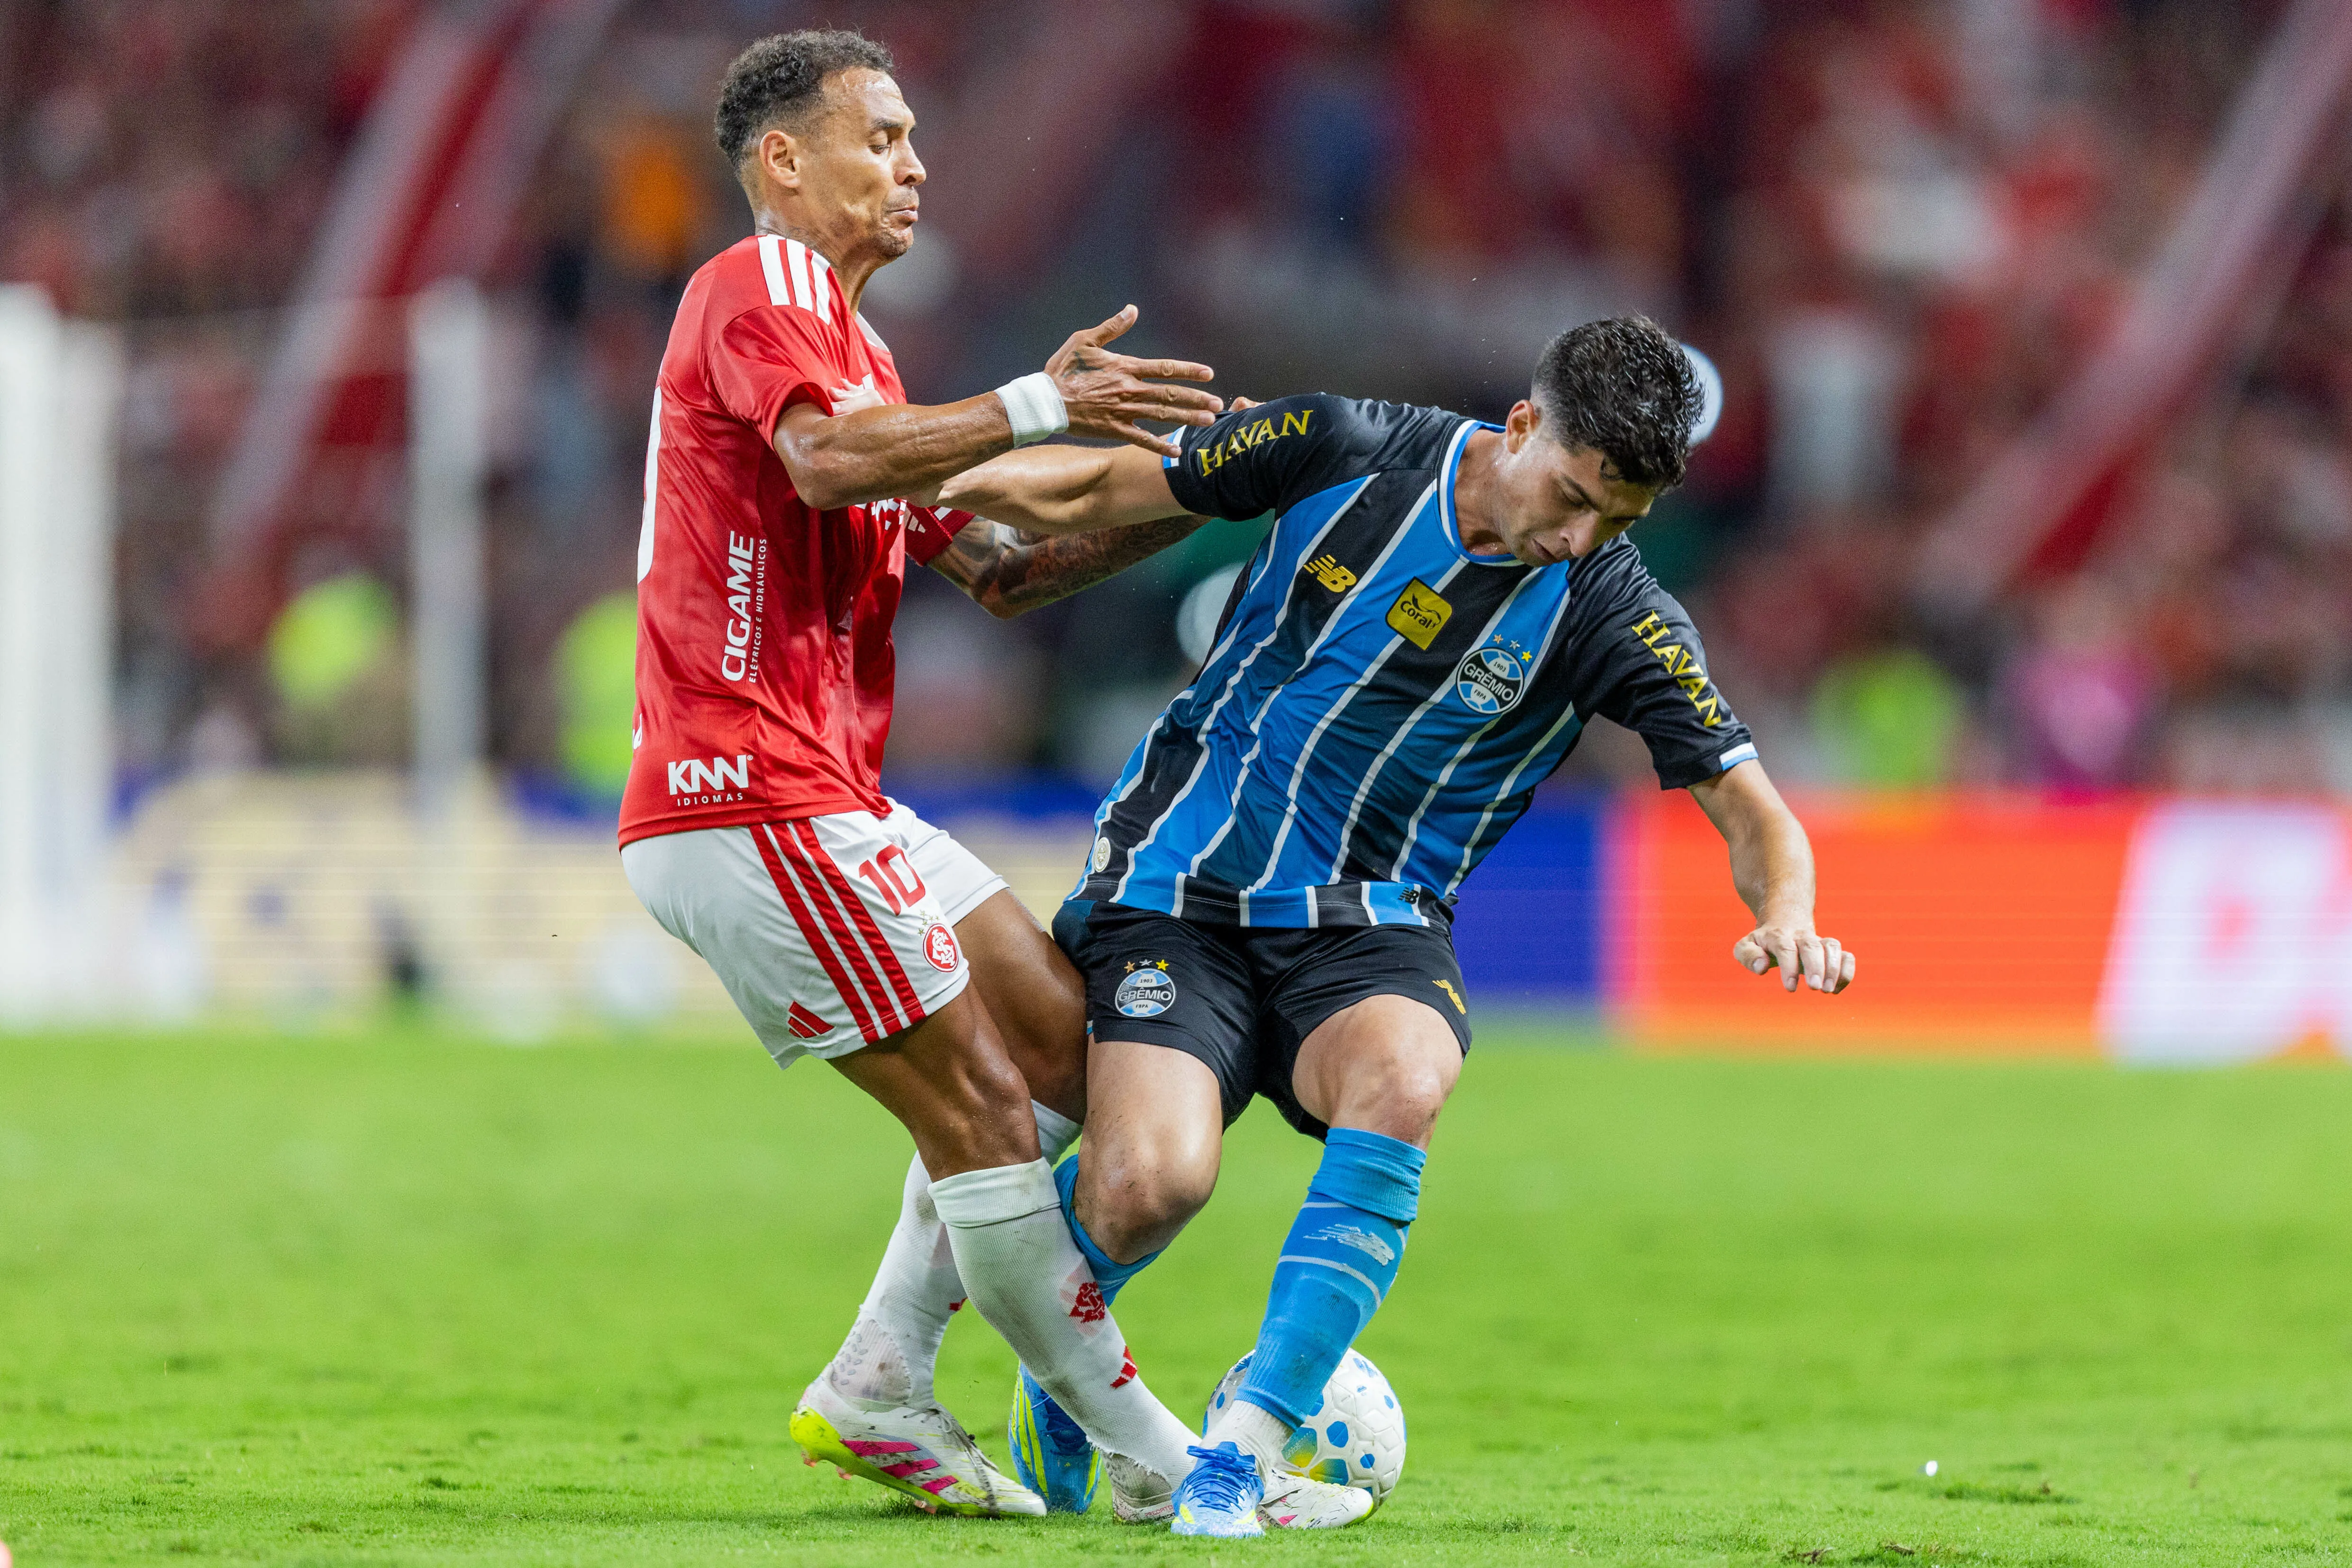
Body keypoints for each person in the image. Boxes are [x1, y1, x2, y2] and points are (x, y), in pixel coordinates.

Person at [940, 315, 1860, 1536]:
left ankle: (1241, 1445)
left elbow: (1755, 813)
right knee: (1151, 1185)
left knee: (1411, 1076)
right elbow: (1125, 483)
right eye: (1575, 496)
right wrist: (939, 477)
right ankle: (1063, 1382)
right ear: (1524, 426)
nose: (1579, 536)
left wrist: (1789, 911)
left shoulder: (1613, 612)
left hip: (1370, 925)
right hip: (1181, 884)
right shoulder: (1345, 445)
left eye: (1618, 521)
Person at [618, 27, 1235, 1521]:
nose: (912, 165)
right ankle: (1172, 1475)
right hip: (743, 790)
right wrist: (1039, 399)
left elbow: (1012, 571)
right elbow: (834, 466)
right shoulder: (754, 287)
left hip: (826, 791)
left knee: (1064, 1054)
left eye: (911, 139)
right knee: (976, 1109)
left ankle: (883, 1375)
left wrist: (1227, 492)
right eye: (879, 137)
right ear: (783, 161)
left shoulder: (866, 359)